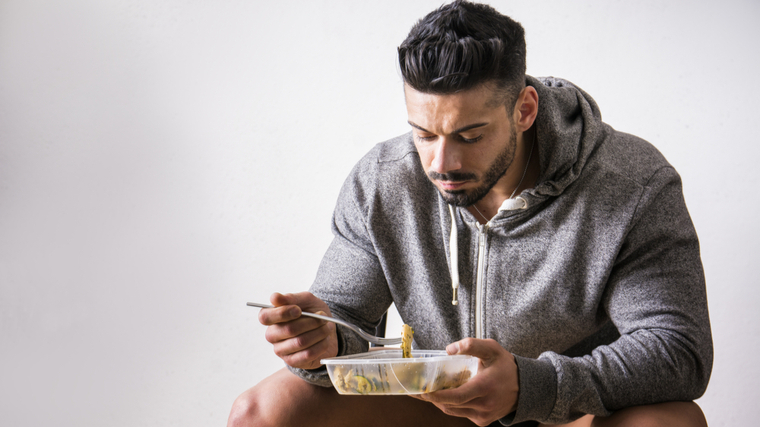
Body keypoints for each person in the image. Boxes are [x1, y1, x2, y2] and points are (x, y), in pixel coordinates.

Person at [227, 1, 712, 426]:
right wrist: (325, 339)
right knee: (261, 412)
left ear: (524, 109)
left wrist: (531, 386)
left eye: (470, 136)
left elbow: (677, 351)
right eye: (424, 134)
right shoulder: (382, 181)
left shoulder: (631, 182)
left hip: (568, 411)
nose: (441, 165)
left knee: (670, 422)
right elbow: (347, 321)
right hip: (437, 406)